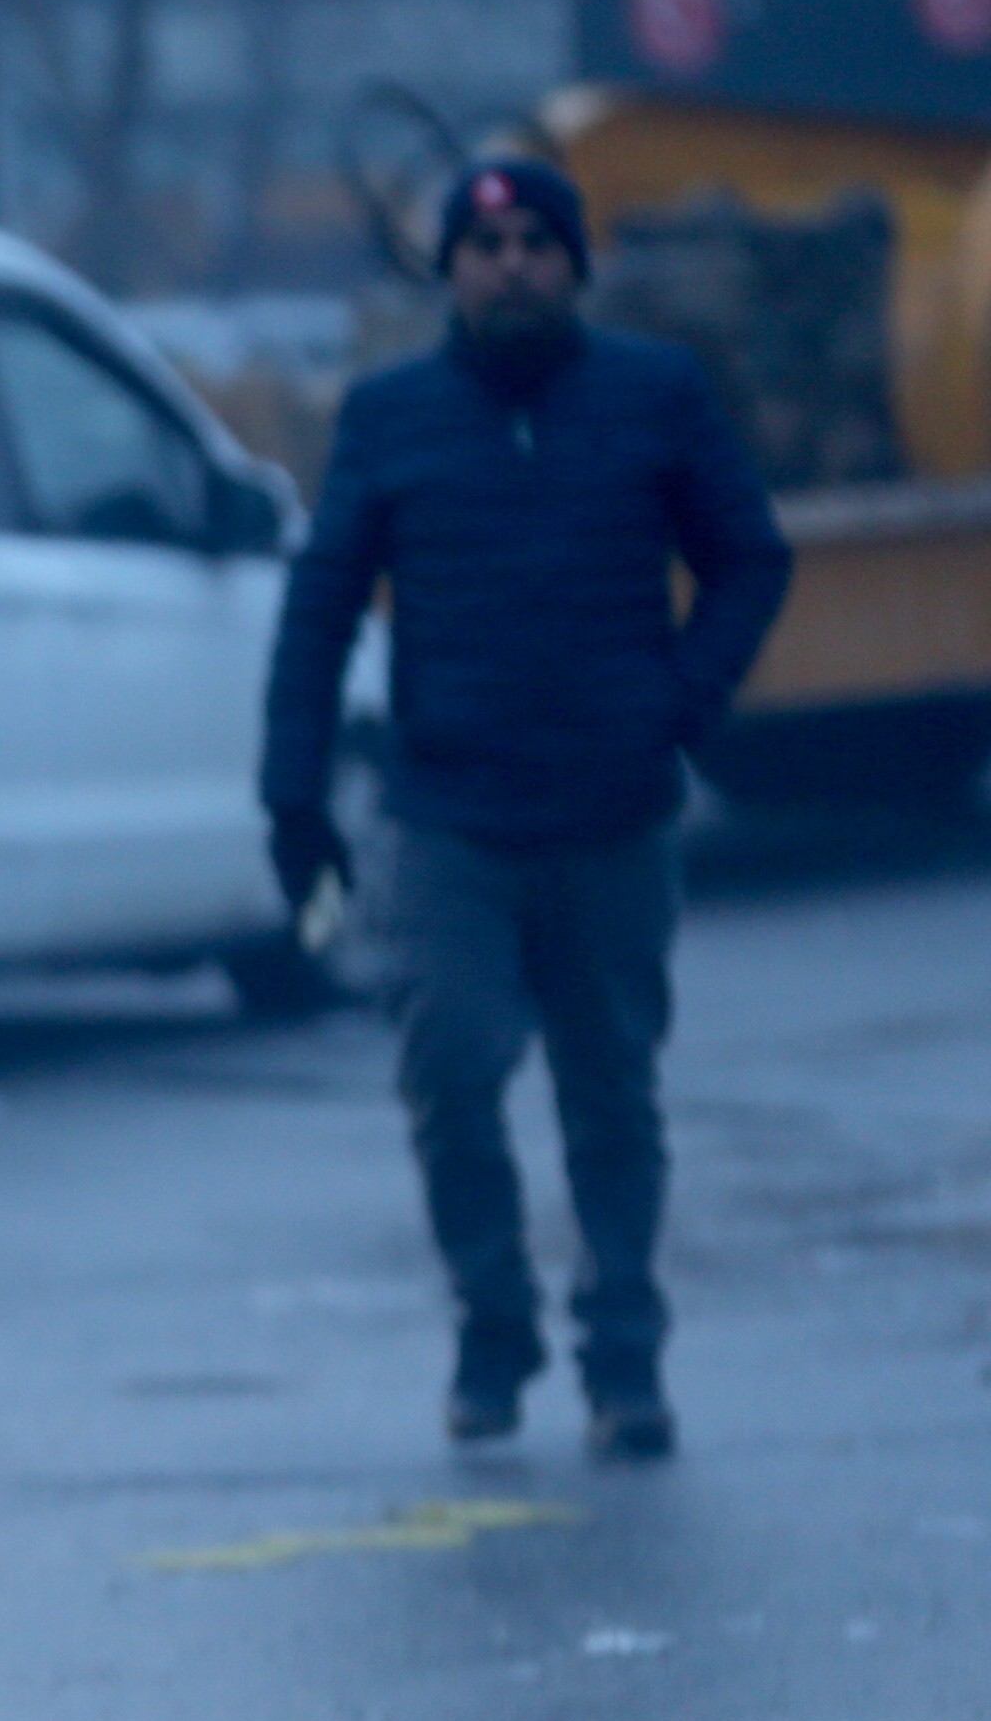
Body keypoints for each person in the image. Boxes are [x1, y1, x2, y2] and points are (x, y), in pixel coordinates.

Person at [260, 156, 793, 1460]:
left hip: (614, 817)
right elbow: (321, 606)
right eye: (485, 244)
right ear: (449, 269)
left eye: (536, 243)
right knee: (450, 1070)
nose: (511, 264)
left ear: (573, 265)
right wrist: (293, 790)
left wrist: (681, 699)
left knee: (611, 1095)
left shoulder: (651, 396)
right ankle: (492, 1329)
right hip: (451, 819)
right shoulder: (390, 418)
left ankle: (626, 1363)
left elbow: (751, 557)